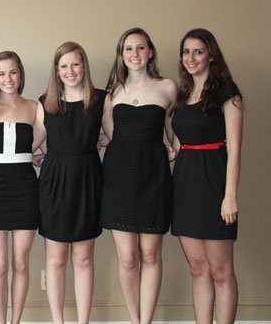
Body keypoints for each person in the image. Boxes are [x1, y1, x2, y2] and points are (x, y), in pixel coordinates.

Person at [99, 27, 177, 324]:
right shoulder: (111, 94)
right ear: (122, 55)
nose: (135, 54)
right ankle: (134, 319)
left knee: (151, 255)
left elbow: (174, 133)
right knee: (128, 258)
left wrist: (175, 148)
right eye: (128, 49)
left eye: (140, 48)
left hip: (153, 177)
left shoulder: (167, 87)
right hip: (119, 178)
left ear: (150, 52)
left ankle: (146, 320)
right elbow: (109, 135)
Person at [171, 28, 242, 324]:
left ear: (211, 55)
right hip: (184, 186)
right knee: (197, 268)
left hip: (214, 187)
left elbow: (235, 149)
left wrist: (230, 196)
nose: (191, 58)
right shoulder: (182, 95)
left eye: (198, 51)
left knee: (221, 271)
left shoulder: (229, 96)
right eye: (186, 52)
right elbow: (178, 143)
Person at [33, 42, 105, 324]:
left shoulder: (100, 100)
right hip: (55, 183)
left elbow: (116, 136)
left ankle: (83, 321)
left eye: (75, 64)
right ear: (56, 71)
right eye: (64, 66)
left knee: (84, 259)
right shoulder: (46, 103)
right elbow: (32, 141)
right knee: (56, 259)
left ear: (84, 66)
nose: (70, 71)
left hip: (87, 180)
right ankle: (58, 321)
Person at [0, 51, 41, 324]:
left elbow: (43, 146)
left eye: (13, 72)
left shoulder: (34, 107)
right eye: (2, 74)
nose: (8, 78)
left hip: (26, 188)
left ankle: (16, 321)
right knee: (0, 264)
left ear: (21, 73)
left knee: (22, 263)